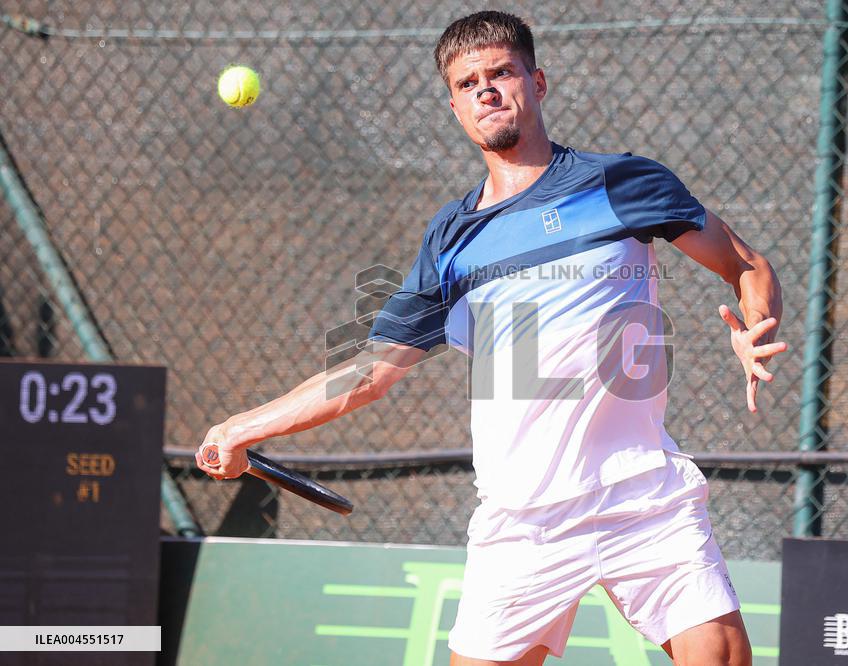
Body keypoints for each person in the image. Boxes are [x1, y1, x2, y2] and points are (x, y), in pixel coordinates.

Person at [196, 10, 786, 666]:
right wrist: (245, 425)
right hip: (524, 516)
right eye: (468, 81)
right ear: (453, 106)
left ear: (536, 82)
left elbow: (746, 264)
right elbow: (365, 374)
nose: (486, 89)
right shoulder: (451, 241)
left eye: (501, 73)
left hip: (641, 491)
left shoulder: (621, 184)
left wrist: (756, 323)